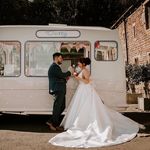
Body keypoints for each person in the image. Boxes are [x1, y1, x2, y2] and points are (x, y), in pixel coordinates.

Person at [49, 57, 140, 148]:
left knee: (86, 106)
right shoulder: (83, 70)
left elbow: (87, 81)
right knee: (80, 107)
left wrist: (77, 77)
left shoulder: (85, 70)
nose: (78, 63)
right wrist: (76, 76)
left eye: (79, 62)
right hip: (82, 90)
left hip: (85, 90)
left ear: (83, 64)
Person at [46, 52, 72, 131]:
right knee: (57, 107)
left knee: (62, 107)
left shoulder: (56, 67)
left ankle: (51, 121)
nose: (62, 59)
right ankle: (53, 124)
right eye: (61, 58)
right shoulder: (54, 67)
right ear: (56, 58)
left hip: (60, 89)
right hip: (58, 90)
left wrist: (65, 79)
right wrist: (69, 72)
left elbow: (59, 77)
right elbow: (61, 75)